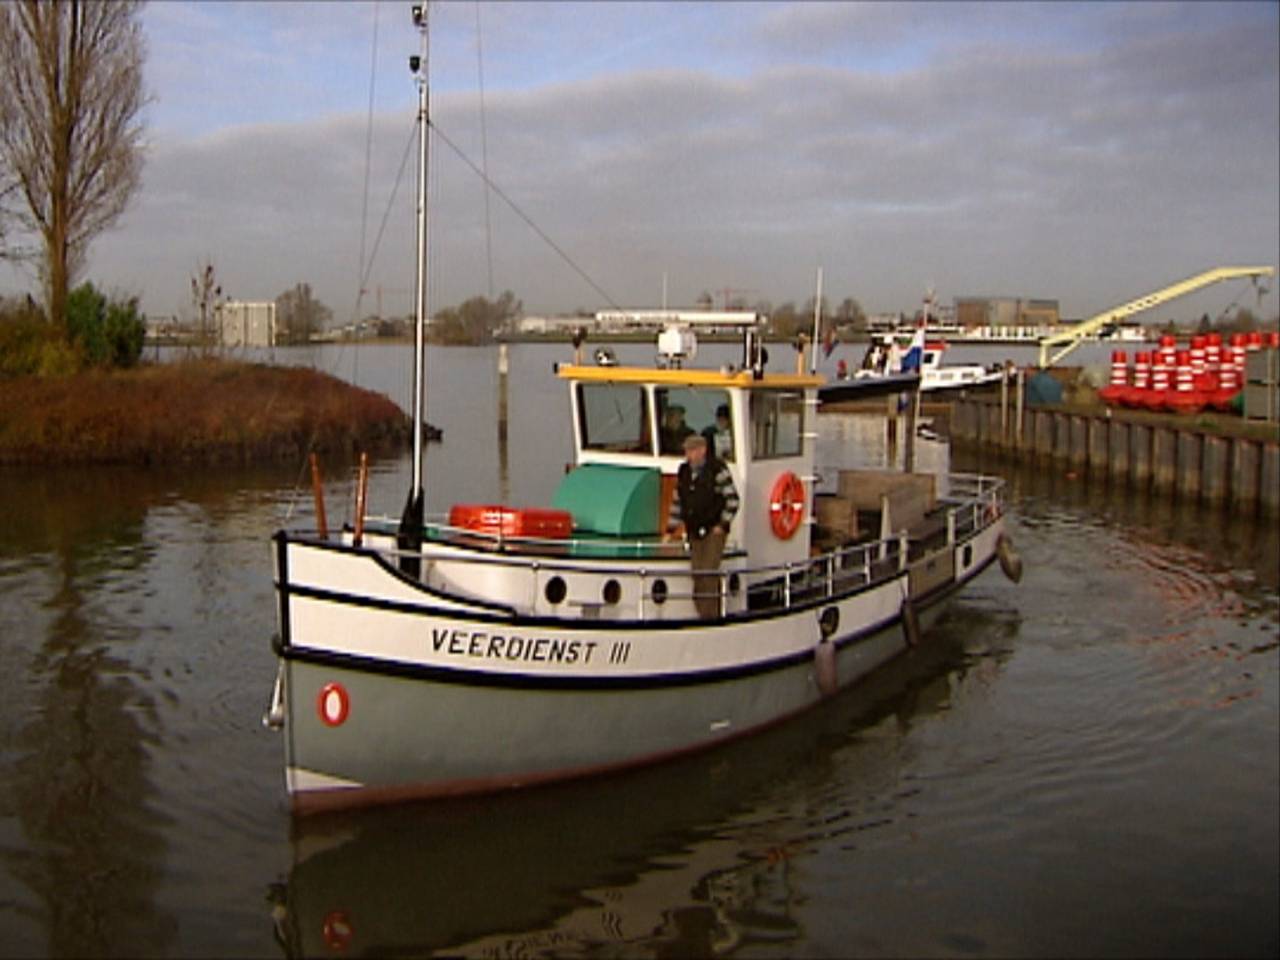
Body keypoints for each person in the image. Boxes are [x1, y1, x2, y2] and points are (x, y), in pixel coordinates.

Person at [664, 434, 739, 619]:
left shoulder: (717, 470)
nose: (688, 455)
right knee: (697, 573)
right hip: (694, 530)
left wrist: (722, 524)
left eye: (692, 450)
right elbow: (678, 504)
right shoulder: (684, 472)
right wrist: (670, 530)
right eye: (686, 451)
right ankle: (702, 613)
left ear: (702, 450)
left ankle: (711, 616)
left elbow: (732, 500)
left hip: (713, 530)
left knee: (708, 571)